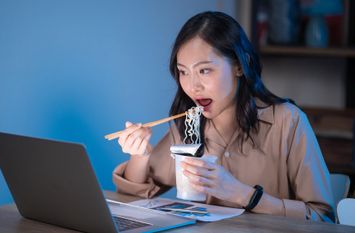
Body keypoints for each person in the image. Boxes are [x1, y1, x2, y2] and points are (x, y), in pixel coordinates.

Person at [112, 11, 335, 222]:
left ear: (239, 66)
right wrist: (140, 156)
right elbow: (132, 198)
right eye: (183, 71)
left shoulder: (288, 121)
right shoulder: (188, 124)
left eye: (204, 70)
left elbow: (323, 218)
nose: (192, 86)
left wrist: (244, 195)